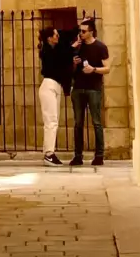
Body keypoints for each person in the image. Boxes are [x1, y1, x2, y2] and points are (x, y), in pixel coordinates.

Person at [69, 17, 110, 167]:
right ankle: (77, 156)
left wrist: (93, 69)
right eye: (80, 31)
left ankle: (99, 155)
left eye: (84, 31)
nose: (81, 33)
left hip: (94, 88)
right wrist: (74, 63)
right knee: (78, 123)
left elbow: (107, 68)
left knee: (96, 122)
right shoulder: (77, 47)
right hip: (78, 88)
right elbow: (70, 70)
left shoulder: (101, 47)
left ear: (91, 32)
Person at [37, 26, 72, 165]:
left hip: (55, 87)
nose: (58, 37)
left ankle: (48, 152)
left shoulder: (54, 50)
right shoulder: (47, 51)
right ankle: (49, 154)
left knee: (53, 120)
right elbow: (59, 59)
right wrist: (70, 49)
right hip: (49, 86)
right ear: (49, 38)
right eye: (55, 35)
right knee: (51, 121)